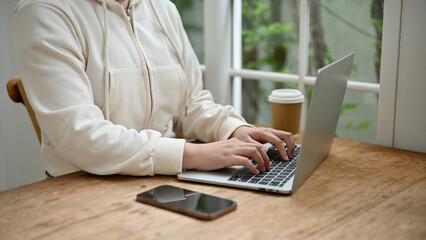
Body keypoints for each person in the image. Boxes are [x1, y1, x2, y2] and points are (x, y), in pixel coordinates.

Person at [14, 0, 296, 178]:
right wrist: (193, 155)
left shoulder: (163, 9)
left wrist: (233, 129)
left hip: (165, 180)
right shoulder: (44, 10)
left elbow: (191, 102)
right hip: (81, 189)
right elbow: (80, 135)